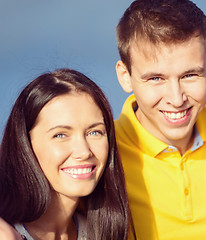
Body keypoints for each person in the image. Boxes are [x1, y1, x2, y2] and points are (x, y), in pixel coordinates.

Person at [114, 0, 206, 239]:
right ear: (125, 76)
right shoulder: (103, 152)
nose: (176, 99)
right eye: (156, 78)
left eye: (189, 75)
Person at [0, 69, 130, 240]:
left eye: (94, 132)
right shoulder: (6, 232)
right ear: (25, 144)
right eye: (60, 135)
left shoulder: (101, 232)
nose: (83, 152)